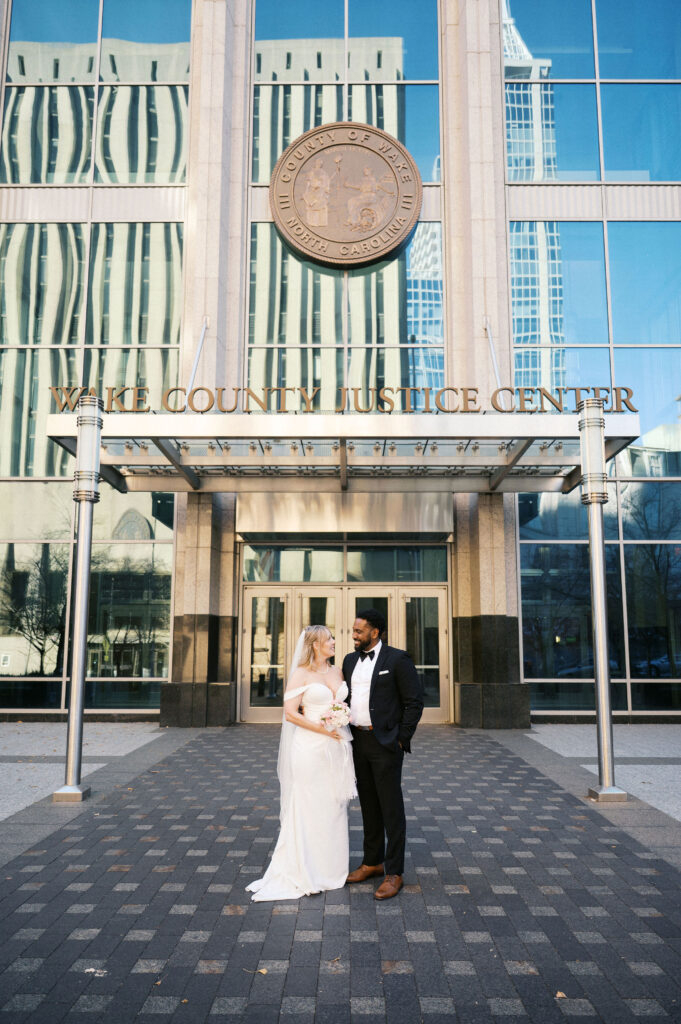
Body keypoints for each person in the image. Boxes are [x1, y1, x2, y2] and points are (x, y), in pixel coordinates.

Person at [246, 625, 356, 901]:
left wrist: (341, 719)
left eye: (333, 637)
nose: (333, 641)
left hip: (338, 746)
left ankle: (331, 869)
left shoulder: (337, 671)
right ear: (315, 645)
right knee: (309, 804)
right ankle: (305, 869)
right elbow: (291, 714)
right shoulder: (301, 674)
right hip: (310, 747)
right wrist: (324, 729)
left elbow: (342, 703)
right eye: (328, 639)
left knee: (334, 804)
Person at [343, 608, 424, 900]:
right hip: (358, 742)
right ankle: (372, 862)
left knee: (391, 808)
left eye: (359, 631)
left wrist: (401, 738)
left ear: (375, 632)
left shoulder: (397, 659)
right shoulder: (350, 660)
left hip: (386, 743)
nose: (353, 635)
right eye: (353, 630)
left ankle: (394, 872)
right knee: (368, 805)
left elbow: (414, 701)